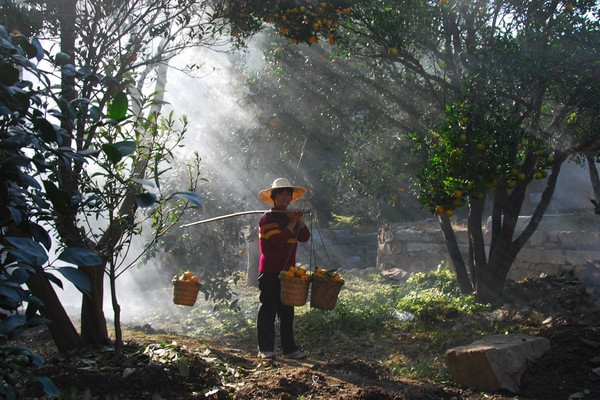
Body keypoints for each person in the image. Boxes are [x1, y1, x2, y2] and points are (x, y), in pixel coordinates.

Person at [256, 178, 310, 359]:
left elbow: (304, 237)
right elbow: (278, 243)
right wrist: (291, 222)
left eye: (288, 194)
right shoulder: (267, 219)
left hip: (288, 273)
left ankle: (290, 349)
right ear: (274, 197)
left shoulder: (291, 218)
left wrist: (299, 220)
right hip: (270, 272)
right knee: (268, 310)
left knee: (287, 312)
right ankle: (265, 349)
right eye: (281, 194)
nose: (286, 197)